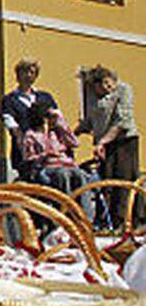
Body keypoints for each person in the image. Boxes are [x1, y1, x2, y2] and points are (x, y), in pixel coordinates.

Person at [77, 66, 140, 227]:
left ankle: (124, 223)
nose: (107, 87)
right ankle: (106, 222)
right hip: (104, 145)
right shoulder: (93, 96)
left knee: (122, 181)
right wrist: (73, 133)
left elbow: (122, 121)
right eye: (102, 84)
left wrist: (103, 142)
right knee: (106, 183)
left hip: (123, 143)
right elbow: (90, 120)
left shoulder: (123, 90)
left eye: (108, 82)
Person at [22, 101, 94, 219]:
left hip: (66, 164)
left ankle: (86, 217)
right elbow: (29, 158)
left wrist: (61, 123)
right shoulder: (31, 135)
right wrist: (45, 154)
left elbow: (75, 142)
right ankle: (67, 212)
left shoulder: (57, 132)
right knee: (63, 175)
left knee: (79, 175)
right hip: (48, 166)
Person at [0, 58, 58, 181]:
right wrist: (22, 139)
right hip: (24, 151)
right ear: (18, 75)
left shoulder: (45, 97)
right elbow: (10, 122)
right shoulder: (10, 100)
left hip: (47, 148)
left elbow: (57, 119)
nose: (28, 75)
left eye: (32, 72)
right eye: (24, 72)